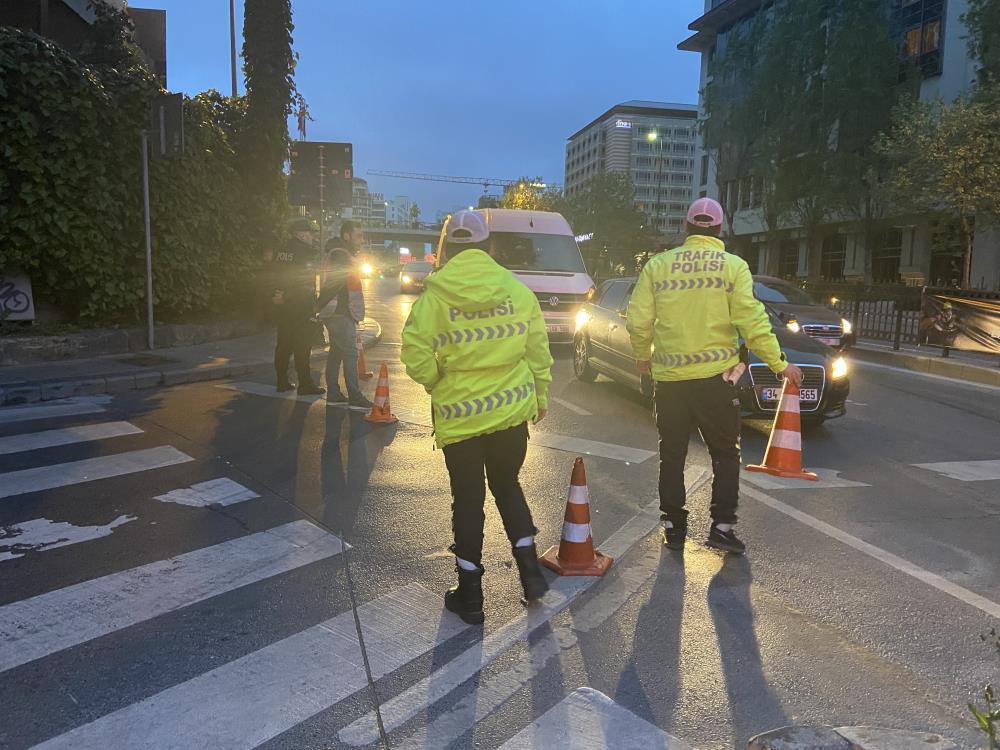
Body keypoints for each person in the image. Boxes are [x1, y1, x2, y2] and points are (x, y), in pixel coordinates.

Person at [400, 210, 554, 624]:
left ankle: (470, 597)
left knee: (467, 501)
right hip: (510, 416)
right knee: (508, 486)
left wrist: (437, 380)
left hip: (460, 417)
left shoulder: (435, 295)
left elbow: (414, 351)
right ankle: (531, 575)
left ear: (446, 248)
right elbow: (538, 350)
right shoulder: (518, 291)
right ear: (489, 247)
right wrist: (540, 395)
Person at [626, 197, 803, 555]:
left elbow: (638, 320)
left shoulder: (658, 266)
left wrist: (643, 357)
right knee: (724, 454)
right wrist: (780, 364)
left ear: (687, 228)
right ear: (719, 230)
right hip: (716, 382)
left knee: (671, 455)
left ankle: (674, 526)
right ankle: (721, 528)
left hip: (671, 382)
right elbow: (752, 323)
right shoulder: (733, 267)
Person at [318, 221, 371, 408]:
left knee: (336, 352)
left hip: (335, 312)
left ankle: (333, 392)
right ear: (347, 236)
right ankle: (354, 395)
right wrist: (317, 307)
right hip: (339, 312)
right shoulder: (341, 254)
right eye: (358, 236)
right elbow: (334, 283)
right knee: (350, 353)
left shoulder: (339, 252)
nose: (362, 240)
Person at [272, 218, 324, 396]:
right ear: (301, 234)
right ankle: (305, 384)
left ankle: (281, 381)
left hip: (282, 305)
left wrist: (278, 295)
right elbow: (303, 282)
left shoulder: (281, 250)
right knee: (303, 346)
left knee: (284, 344)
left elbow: (273, 274)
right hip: (300, 305)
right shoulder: (305, 253)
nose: (312, 236)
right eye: (310, 233)